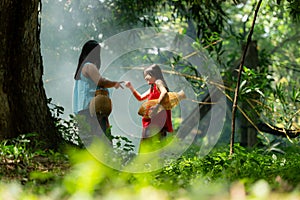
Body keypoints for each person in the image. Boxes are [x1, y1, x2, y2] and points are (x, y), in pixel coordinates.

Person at [73, 40, 122, 145]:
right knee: (100, 139)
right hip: (92, 109)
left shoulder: (82, 67)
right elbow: (101, 81)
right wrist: (114, 83)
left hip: (82, 109)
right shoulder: (89, 66)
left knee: (87, 139)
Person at [125, 64, 173, 151]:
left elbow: (164, 92)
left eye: (147, 77)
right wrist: (130, 87)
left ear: (153, 74)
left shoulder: (159, 82)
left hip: (157, 120)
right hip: (151, 119)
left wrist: (157, 107)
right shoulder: (153, 87)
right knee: (149, 142)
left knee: (150, 143)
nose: (146, 80)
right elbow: (140, 97)